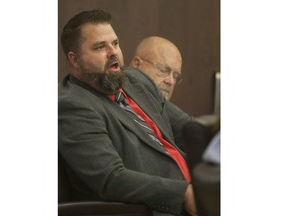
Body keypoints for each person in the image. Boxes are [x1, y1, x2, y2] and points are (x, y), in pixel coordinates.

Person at [59, 9, 197, 216]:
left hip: (200, 191)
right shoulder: (73, 105)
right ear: (75, 60)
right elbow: (111, 179)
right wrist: (183, 193)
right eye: (99, 47)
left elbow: (190, 129)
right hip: (161, 208)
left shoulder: (135, 81)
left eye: (115, 44)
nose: (113, 52)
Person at [129, 36, 183, 100]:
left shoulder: (173, 110)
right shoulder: (115, 102)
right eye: (163, 70)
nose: (171, 81)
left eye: (175, 76)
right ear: (137, 65)